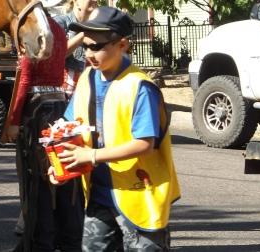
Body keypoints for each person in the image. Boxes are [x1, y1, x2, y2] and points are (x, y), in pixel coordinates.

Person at [48, 7, 181, 251]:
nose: (89, 53)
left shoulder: (140, 87)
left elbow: (144, 144)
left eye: (97, 47)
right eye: (86, 46)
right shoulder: (87, 78)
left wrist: (92, 156)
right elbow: (69, 128)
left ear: (122, 45)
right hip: (99, 195)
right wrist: (60, 165)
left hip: (141, 197)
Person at [5, 5, 83, 252]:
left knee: (38, 184)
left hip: (36, 112)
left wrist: (14, 121)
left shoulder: (35, 31)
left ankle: (42, 243)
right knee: (64, 179)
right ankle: (70, 240)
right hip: (60, 105)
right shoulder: (59, 31)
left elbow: (25, 78)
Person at [54, 0, 97, 98]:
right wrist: (84, 34)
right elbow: (56, 55)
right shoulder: (59, 23)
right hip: (63, 94)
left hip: (87, 93)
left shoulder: (98, 28)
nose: (95, 0)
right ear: (76, 2)